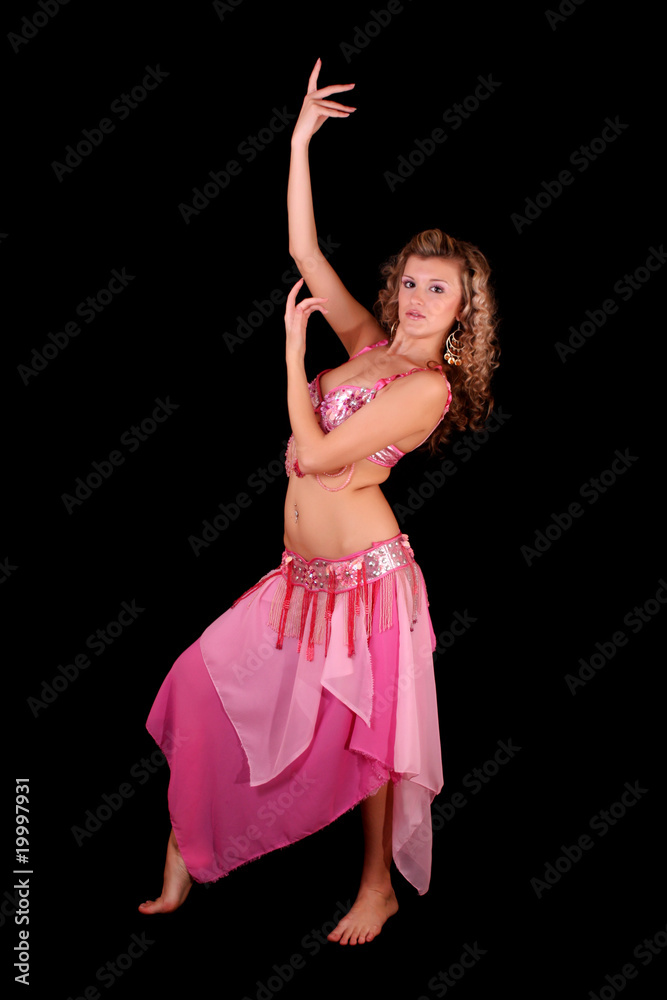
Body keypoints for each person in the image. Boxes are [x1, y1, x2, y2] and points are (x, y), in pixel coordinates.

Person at [138, 60, 499, 946]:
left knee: (373, 740)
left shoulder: (427, 388)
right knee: (200, 680)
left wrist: (293, 359)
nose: (416, 299)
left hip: (369, 580)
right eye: (409, 282)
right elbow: (304, 253)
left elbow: (315, 453)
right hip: (301, 573)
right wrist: (299, 140)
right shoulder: (371, 345)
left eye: (438, 290)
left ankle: (376, 888)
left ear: (463, 312)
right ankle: (189, 837)